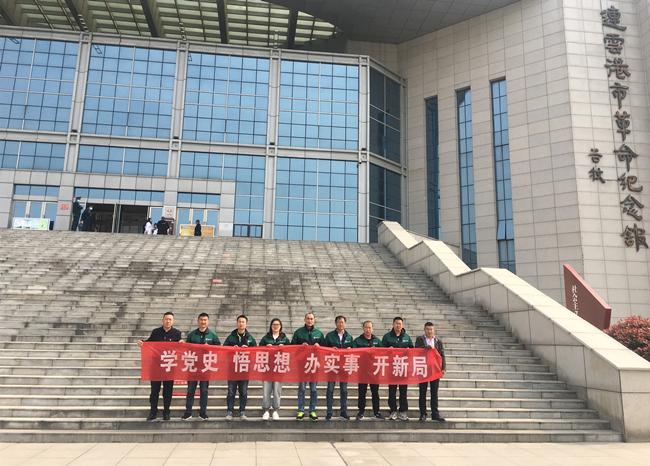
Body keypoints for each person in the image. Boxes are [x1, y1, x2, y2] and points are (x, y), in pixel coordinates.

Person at [137, 312, 182, 421]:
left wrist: (181, 343)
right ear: (163, 320)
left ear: (173, 321)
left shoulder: (176, 333)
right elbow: (149, 343)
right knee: (154, 391)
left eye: (170, 319)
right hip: (156, 366)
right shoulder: (156, 332)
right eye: (166, 319)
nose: (168, 321)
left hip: (169, 366)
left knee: (168, 391)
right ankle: (153, 412)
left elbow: (179, 348)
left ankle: (166, 412)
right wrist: (142, 342)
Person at [181, 313, 221, 421]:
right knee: (190, 390)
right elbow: (187, 348)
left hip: (206, 367)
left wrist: (210, 347)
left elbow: (219, 348)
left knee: (204, 390)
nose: (203, 322)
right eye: (201, 320)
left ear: (208, 321)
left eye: (205, 320)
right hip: (193, 366)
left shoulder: (212, 334)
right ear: (198, 321)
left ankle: (202, 412)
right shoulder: (192, 334)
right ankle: (188, 412)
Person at [223, 315, 257, 420]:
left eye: (243, 322)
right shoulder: (230, 337)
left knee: (243, 391)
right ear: (236, 323)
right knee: (231, 392)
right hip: (232, 369)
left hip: (244, 369)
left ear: (246, 324)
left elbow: (256, 353)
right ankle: (230, 411)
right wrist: (231, 349)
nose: (241, 324)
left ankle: (242, 411)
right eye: (239, 322)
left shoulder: (250, 338)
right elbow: (223, 350)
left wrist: (248, 350)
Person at [291, 312, 323, 421]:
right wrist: (300, 347)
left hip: (314, 365)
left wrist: (319, 347)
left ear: (314, 320)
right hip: (302, 365)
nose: (309, 320)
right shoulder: (298, 332)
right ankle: (301, 410)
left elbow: (325, 349)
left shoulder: (319, 333)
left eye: (311, 319)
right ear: (304, 320)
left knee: (313, 389)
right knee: (302, 388)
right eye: (308, 318)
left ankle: (312, 410)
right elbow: (292, 347)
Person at [382, 316, 414, 421]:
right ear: (393, 324)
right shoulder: (387, 336)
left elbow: (413, 350)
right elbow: (381, 350)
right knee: (392, 391)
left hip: (403, 367)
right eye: (396, 323)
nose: (398, 325)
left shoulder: (407, 337)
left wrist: (409, 350)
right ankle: (393, 411)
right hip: (392, 367)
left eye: (400, 324)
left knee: (403, 391)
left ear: (402, 325)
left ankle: (402, 411)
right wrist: (387, 350)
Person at [259, 318, 290, 420]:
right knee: (266, 390)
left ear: (280, 326)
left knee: (277, 390)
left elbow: (290, 352)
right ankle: (266, 410)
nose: (276, 326)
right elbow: (258, 350)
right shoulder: (265, 338)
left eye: (277, 324)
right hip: (267, 368)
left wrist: (284, 348)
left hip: (279, 368)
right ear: (271, 326)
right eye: (274, 324)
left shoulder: (285, 339)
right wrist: (265, 348)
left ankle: (276, 410)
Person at [352, 320, 384, 420]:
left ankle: (376, 412)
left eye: (369, 327)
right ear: (363, 328)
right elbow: (353, 353)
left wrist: (376, 351)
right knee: (362, 392)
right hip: (362, 371)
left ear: (372, 329)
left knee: (375, 392)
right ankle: (361, 412)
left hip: (374, 371)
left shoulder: (377, 341)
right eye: (366, 327)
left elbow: (383, 353)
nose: (368, 329)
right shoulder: (357, 341)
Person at [415, 322, 447, 422]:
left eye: (431, 329)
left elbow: (442, 355)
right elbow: (417, 349)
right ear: (424, 330)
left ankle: (435, 414)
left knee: (434, 392)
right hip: (423, 368)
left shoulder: (438, 341)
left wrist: (443, 368)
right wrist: (429, 347)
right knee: (422, 392)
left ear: (434, 330)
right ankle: (423, 414)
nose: (429, 331)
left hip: (435, 369)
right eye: (427, 329)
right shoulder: (420, 339)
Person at [324, 315, 353, 420]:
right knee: (330, 389)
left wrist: (350, 350)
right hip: (332, 365)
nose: (341, 324)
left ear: (345, 324)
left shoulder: (349, 336)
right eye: (339, 322)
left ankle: (343, 411)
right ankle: (329, 411)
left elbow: (353, 351)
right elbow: (323, 349)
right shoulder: (329, 336)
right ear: (335, 324)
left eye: (342, 322)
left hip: (344, 366)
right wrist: (331, 350)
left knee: (344, 389)